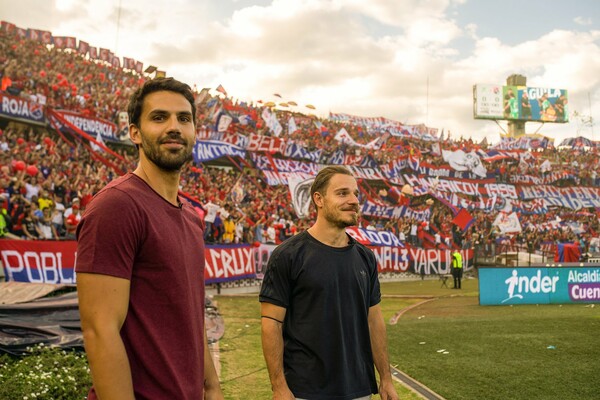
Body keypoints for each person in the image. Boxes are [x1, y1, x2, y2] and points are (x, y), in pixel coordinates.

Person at [76, 77, 223, 400]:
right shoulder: (116, 206)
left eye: (184, 119)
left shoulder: (191, 219)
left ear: (195, 132)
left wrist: (211, 388)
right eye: (159, 117)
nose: (174, 127)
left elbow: (191, 317)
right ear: (135, 133)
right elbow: (100, 331)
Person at [259, 165, 398, 400]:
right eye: (343, 193)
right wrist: (279, 387)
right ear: (319, 199)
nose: (354, 200)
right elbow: (271, 323)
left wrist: (385, 378)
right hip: (305, 391)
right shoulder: (288, 255)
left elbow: (374, 320)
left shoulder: (365, 258)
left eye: (355, 194)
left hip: (359, 389)